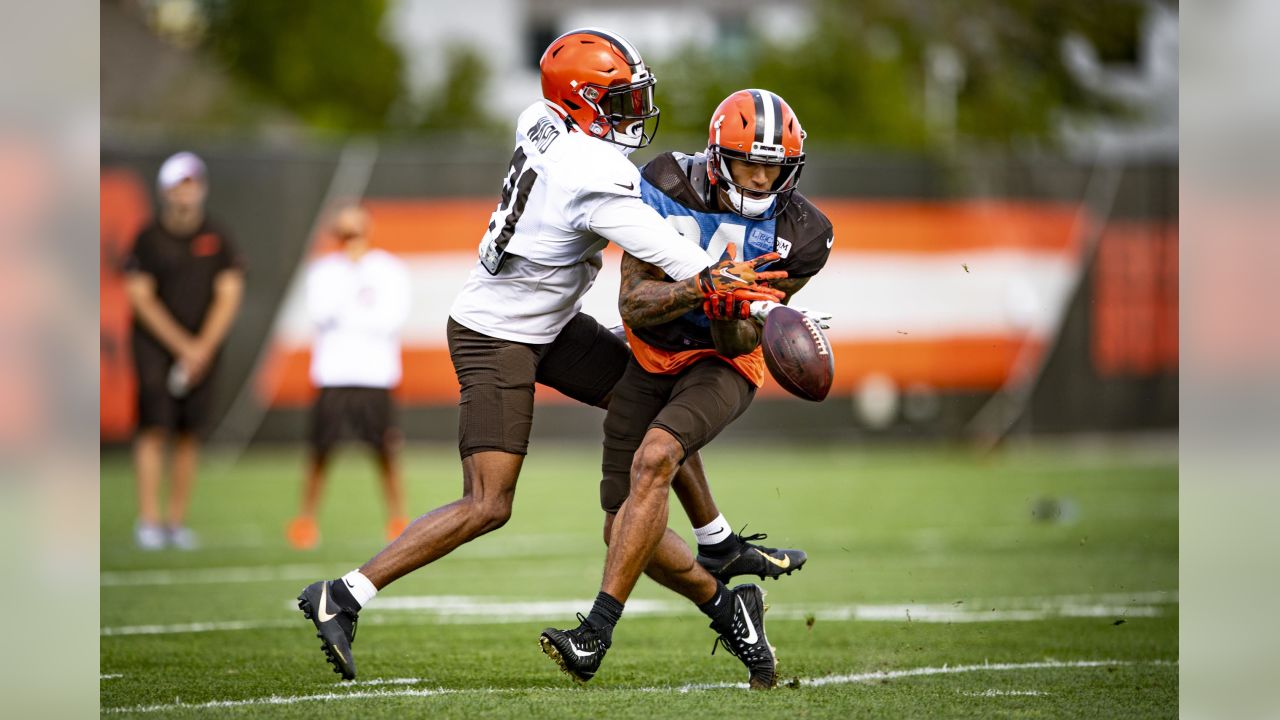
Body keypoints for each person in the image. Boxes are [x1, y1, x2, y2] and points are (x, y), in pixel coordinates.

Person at [296, 29, 799, 683]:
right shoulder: (593, 176)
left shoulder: (541, 119)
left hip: (548, 325)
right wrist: (747, 294)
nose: (631, 116)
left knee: (646, 400)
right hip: (495, 335)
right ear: (582, 101)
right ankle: (345, 593)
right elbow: (677, 256)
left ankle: (720, 548)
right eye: (617, 103)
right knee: (488, 503)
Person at [540, 89, 834, 690]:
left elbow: (737, 341)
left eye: (772, 166)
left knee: (656, 457)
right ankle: (731, 608)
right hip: (652, 355)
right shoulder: (667, 181)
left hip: (724, 365)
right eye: (747, 162)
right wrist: (701, 288)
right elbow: (634, 304)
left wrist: (728, 311)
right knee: (622, 529)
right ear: (716, 156)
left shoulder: (804, 234)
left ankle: (595, 632)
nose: (759, 177)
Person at [124, 151, 245, 550]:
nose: (186, 193)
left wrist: (202, 348)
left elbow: (228, 294)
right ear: (165, 191)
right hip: (155, 347)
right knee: (154, 429)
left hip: (202, 351)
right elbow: (141, 298)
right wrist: (183, 346)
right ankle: (149, 521)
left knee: (189, 433)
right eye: (179, 185)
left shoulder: (219, 237)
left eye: (192, 184)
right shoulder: (148, 239)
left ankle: (176, 522)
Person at [286, 204, 411, 550]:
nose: (351, 241)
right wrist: (355, 292)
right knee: (320, 451)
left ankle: (398, 518)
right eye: (345, 234)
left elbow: (392, 317)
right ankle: (305, 520)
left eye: (356, 233)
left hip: (375, 374)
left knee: (385, 450)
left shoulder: (389, 269)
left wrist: (355, 306)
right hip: (334, 373)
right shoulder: (324, 271)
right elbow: (321, 313)